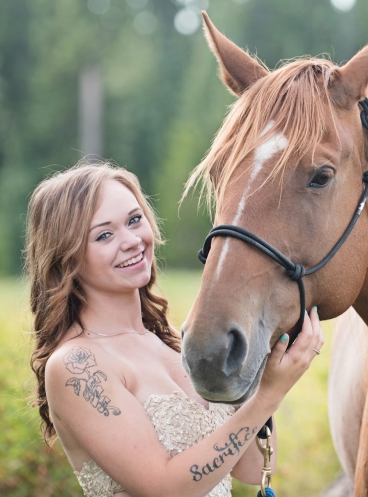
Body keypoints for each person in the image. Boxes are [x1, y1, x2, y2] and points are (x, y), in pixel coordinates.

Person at [26, 160, 323, 496]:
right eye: (105, 235)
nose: (131, 241)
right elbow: (164, 487)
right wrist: (269, 395)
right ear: (67, 257)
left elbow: (253, 469)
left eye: (134, 220)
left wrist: (263, 371)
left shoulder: (171, 344)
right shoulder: (76, 366)